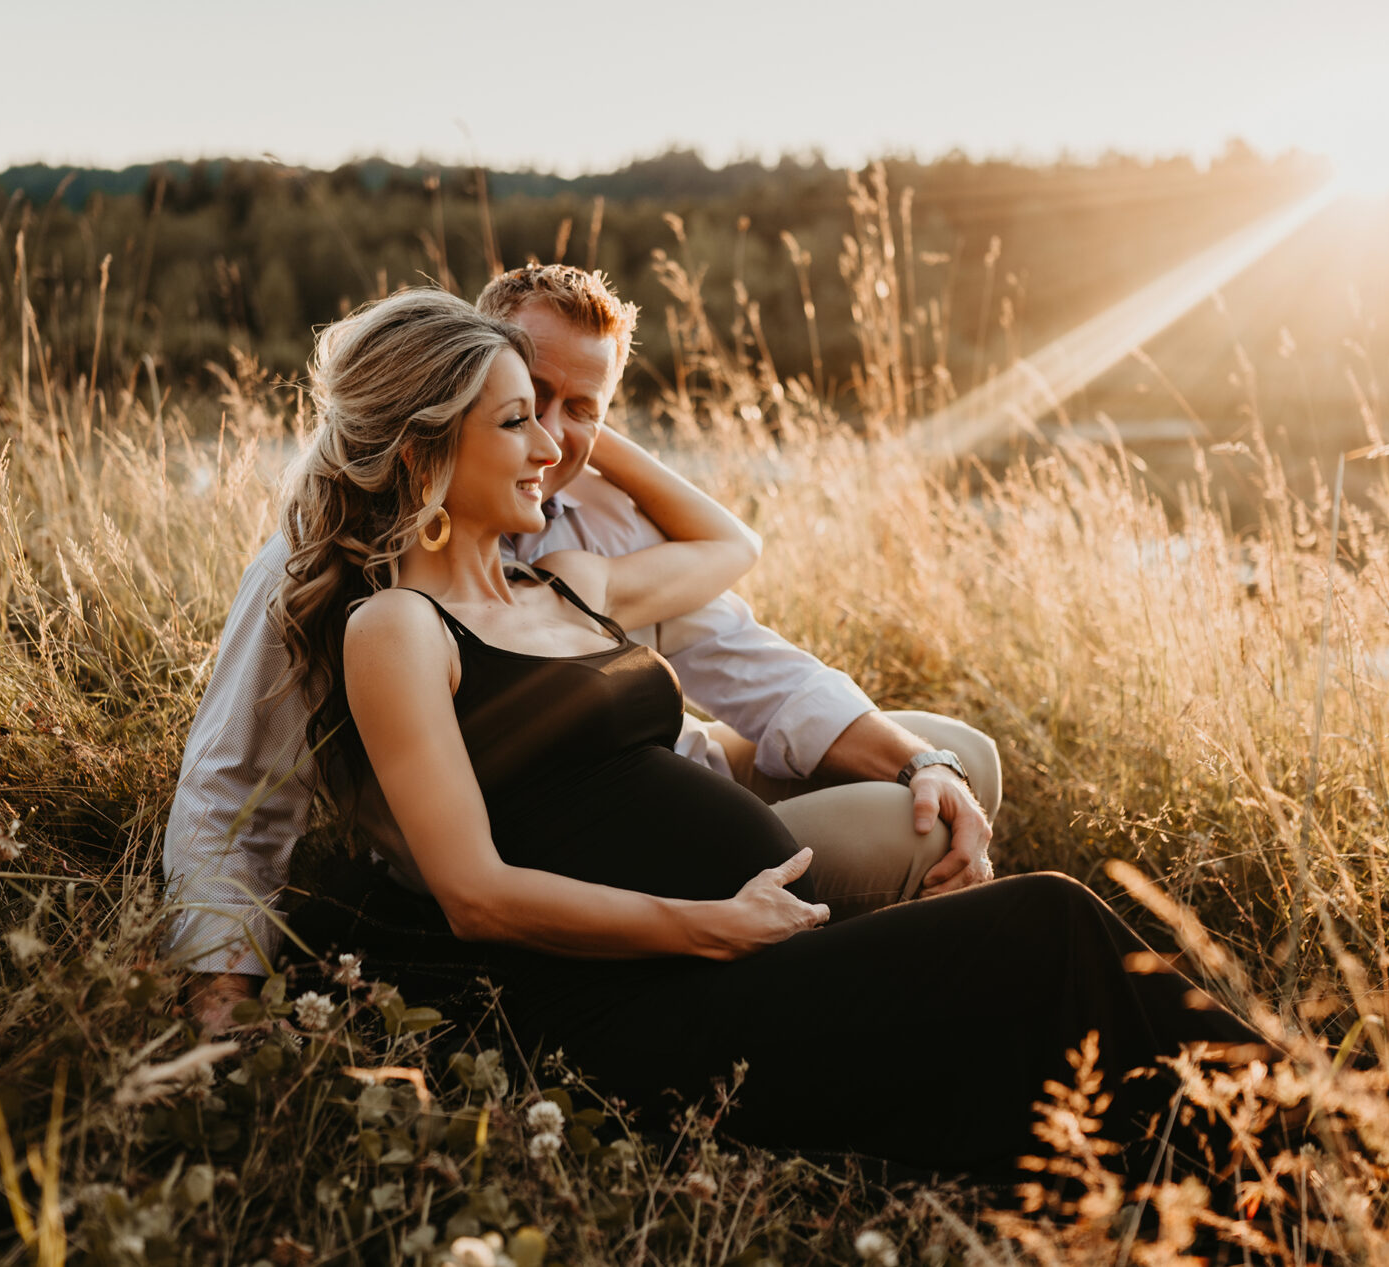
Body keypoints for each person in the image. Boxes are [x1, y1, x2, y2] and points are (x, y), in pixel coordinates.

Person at [229, 287, 1272, 1180]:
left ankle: (1269, 1129)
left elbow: (730, 546)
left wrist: (589, 427)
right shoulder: (398, 627)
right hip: (640, 1000)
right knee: (1047, 923)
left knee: (1039, 956)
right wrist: (705, 924)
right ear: (422, 450)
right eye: (517, 422)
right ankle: (1272, 1131)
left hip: (733, 951)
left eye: (566, 418)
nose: (554, 447)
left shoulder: (565, 583)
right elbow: (474, 893)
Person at [165, 265, 1000, 1032]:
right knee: (918, 831)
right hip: (594, 856)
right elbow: (233, 782)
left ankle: (867, 939)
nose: (552, 441)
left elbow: (758, 660)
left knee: (959, 756)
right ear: (464, 384)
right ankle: (856, 971)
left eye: (583, 408)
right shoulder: (335, 576)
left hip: (678, 777)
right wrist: (219, 1000)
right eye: (527, 399)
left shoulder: (586, 531)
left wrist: (923, 762)